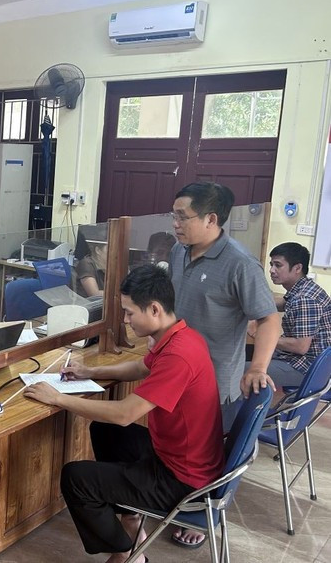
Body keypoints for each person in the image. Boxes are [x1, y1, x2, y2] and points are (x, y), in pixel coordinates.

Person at [23, 265, 224, 563]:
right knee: (104, 431)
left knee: (76, 478)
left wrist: (58, 398)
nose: (126, 320)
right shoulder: (182, 336)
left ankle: (129, 553)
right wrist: (90, 371)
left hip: (183, 479)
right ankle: (131, 519)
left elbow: (125, 413)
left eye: (130, 313)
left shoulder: (179, 355)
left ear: (154, 309)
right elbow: (142, 367)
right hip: (178, 455)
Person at [167, 181, 280, 548]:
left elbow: (269, 319)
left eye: (182, 216)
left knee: (210, 454)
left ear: (211, 219)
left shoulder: (239, 262)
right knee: (180, 449)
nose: (175, 223)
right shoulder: (179, 251)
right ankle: (176, 502)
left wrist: (257, 367)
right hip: (176, 374)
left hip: (216, 382)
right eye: (174, 215)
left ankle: (204, 515)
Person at [257, 242, 331, 388]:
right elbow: (285, 303)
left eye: (278, 265)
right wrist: (252, 303)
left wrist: (260, 334)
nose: (271, 270)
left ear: (297, 268)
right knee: (251, 354)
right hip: (304, 361)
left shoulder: (305, 298)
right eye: (271, 264)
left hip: (306, 368)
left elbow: (300, 346)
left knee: (243, 370)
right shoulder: (303, 288)